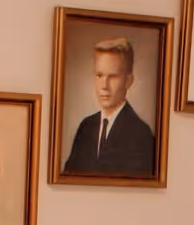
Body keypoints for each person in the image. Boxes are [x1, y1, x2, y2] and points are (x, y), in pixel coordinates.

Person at [63, 34, 156, 176]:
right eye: (99, 75)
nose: (104, 86)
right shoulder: (86, 127)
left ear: (128, 81)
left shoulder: (141, 136)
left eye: (112, 77)